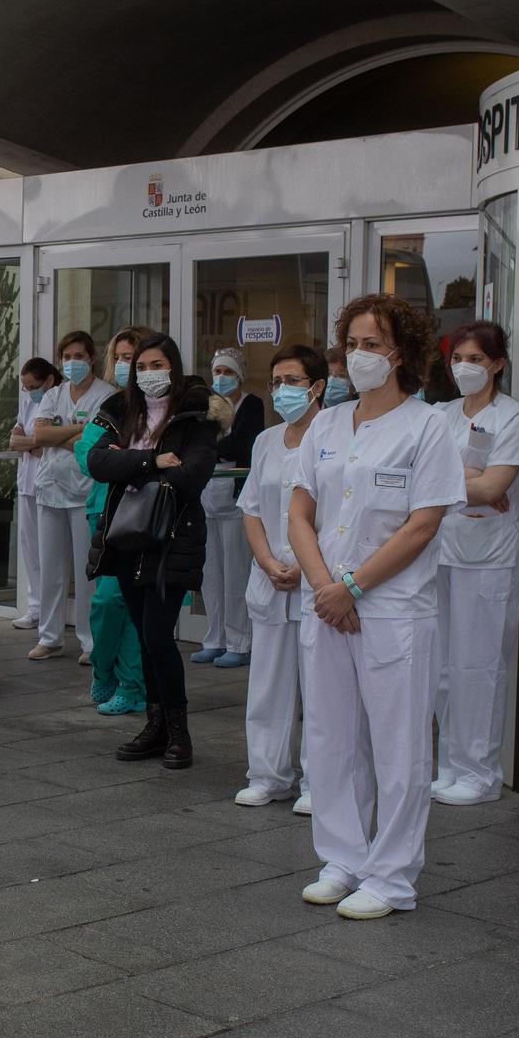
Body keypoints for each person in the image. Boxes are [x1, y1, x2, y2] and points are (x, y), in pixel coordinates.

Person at [287, 293, 464, 920]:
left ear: (402, 354)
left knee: (399, 747)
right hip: (327, 605)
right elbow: (300, 511)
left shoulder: (429, 427)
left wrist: (352, 587)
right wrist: (322, 587)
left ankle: (391, 877)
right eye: (352, 345)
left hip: (392, 611)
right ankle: (342, 860)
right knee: (332, 740)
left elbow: (422, 525)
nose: (358, 357)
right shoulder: (328, 426)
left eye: (372, 345)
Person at [86, 334, 217, 769]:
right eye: (140, 366)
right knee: (144, 635)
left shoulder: (195, 415)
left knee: (159, 634)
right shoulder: (122, 411)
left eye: (155, 364)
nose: (147, 374)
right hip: (127, 539)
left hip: (171, 540)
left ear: (173, 367)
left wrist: (135, 466)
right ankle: (155, 725)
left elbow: (194, 474)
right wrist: (152, 463)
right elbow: (98, 463)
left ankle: (180, 731)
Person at [432, 320, 519, 806]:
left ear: (497, 365)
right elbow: (418, 476)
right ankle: (449, 764)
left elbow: (494, 489)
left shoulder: (515, 418)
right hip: (443, 550)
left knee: (481, 665)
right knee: (445, 667)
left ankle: (480, 773)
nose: (464, 368)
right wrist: (467, 479)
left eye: (475, 359)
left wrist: (460, 483)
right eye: (457, 359)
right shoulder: (442, 414)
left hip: (490, 556)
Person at [233, 344, 327, 812]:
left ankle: (317, 781)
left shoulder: (335, 437)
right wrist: (269, 562)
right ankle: (268, 774)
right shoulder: (267, 440)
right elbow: (251, 509)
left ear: (317, 387)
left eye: (292, 381)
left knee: (320, 687)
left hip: (317, 579)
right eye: (276, 382)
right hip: (270, 578)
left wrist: (304, 564)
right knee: (268, 685)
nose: (282, 391)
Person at [24, 332, 116, 665]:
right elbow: (40, 434)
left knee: (86, 568)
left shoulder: (107, 395)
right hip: (50, 488)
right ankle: (49, 637)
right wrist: (75, 434)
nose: (72, 362)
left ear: (91, 358)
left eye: (79, 355)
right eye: (67, 356)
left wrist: (59, 435)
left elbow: (96, 441)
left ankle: (90, 641)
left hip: (85, 492)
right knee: (51, 568)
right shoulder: (54, 394)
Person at [74, 330, 148, 716]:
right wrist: (128, 461)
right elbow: (87, 452)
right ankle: (103, 668)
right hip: (105, 511)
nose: (125, 364)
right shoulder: (112, 405)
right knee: (106, 600)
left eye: (132, 356)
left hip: (147, 516)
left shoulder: (165, 407)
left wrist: (123, 458)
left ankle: (133, 685)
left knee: (132, 603)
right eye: (119, 356)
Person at [194, 346, 264, 669]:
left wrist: (213, 448)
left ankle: (239, 640)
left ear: (240, 375)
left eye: (229, 372)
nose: (222, 378)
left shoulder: (251, 405)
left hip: (236, 497)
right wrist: (213, 449)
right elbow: (197, 444)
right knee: (210, 572)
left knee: (236, 571)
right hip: (207, 494)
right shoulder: (207, 406)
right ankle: (214, 638)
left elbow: (241, 444)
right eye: (218, 372)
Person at [9, 357, 61, 631]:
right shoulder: (28, 402)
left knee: (49, 552)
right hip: (27, 482)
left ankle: (53, 611)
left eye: (33, 386)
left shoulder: (58, 401)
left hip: (51, 483)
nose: (29, 391)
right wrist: (32, 443)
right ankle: (35, 607)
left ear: (49, 381)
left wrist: (29, 443)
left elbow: (47, 444)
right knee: (30, 550)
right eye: (25, 386)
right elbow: (15, 439)